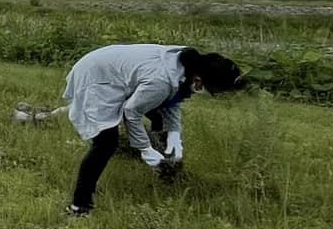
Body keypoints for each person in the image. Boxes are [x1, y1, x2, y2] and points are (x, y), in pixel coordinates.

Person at [62, 43, 245, 217]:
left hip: (113, 68)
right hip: (97, 76)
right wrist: (145, 149)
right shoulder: (162, 80)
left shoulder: (189, 64)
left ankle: (168, 171)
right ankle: (80, 205)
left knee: (158, 119)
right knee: (106, 143)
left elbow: (171, 100)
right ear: (198, 80)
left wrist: (174, 135)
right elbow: (132, 112)